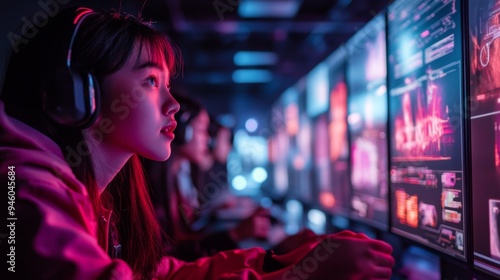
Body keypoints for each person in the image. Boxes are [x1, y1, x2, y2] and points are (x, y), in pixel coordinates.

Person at [0, 6, 395, 279]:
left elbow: (153, 274)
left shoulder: (91, 195)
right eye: (151, 81)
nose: (172, 105)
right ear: (76, 94)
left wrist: (279, 262)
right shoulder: (22, 192)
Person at [143, 93, 272, 261]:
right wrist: (234, 234)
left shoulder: (174, 177)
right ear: (183, 131)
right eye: (203, 130)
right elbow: (169, 255)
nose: (208, 139)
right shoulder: (154, 185)